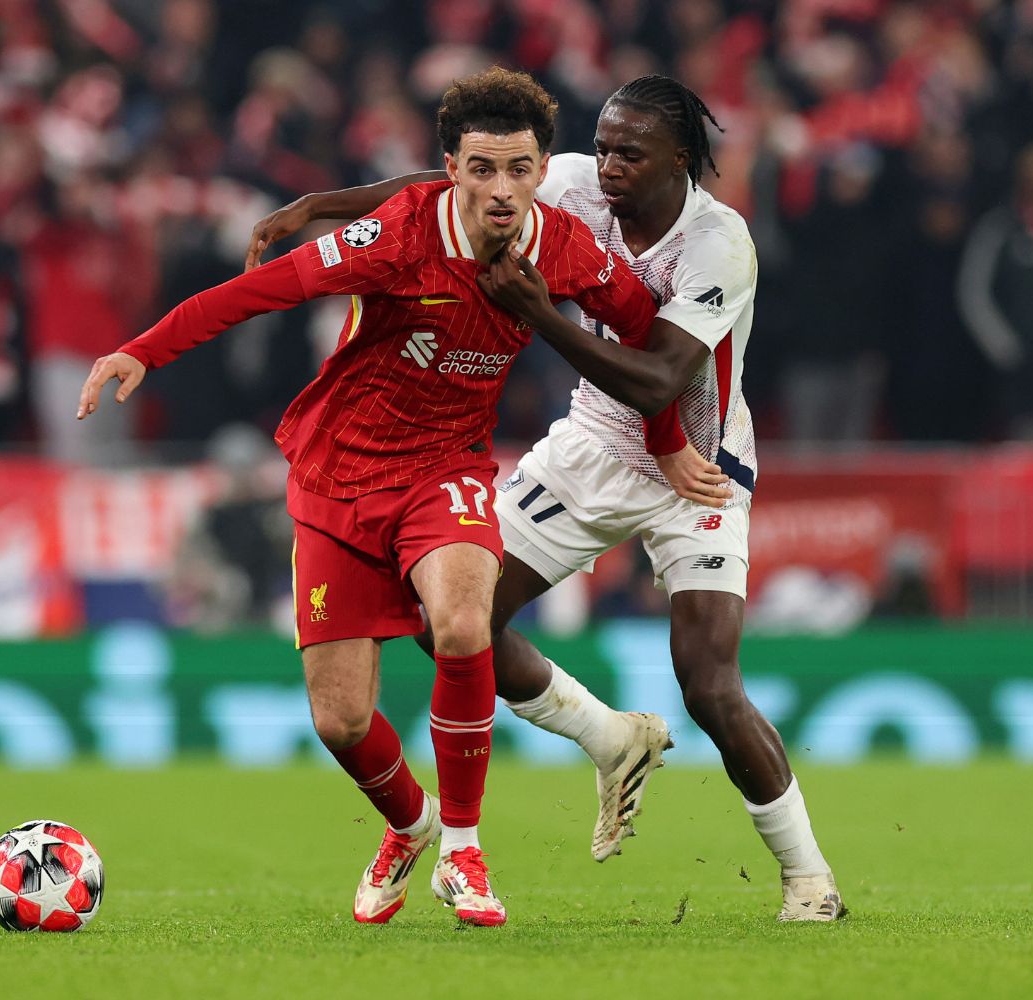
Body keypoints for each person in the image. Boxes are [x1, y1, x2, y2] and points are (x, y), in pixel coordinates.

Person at [78, 67, 698, 927]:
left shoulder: (561, 245)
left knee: (461, 623)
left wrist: (669, 447)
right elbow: (262, 290)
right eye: (482, 169)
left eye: (520, 169)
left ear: (541, 168)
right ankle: (412, 825)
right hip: (336, 477)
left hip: (447, 472)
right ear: (450, 168)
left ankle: (466, 851)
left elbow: (646, 343)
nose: (503, 189)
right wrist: (143, 349)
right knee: (340, 721)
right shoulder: (396, 237)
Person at [246, 75, 846, 922]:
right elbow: (439, 189)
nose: (605, 167)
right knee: (450, 620)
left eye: (628, 153)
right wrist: (318, 206)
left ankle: (810, 880)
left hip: (697, 469)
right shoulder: (568, 182)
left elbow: (660, 377)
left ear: (680, 160)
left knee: (708, 682)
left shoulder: (719, 244)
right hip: (590, 450)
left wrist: (540, 311)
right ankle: (610, 736)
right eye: (600, 146)